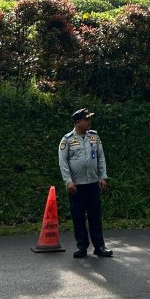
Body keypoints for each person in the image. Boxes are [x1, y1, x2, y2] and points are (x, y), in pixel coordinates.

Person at [58, 108, 112, 258]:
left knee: (95, 215)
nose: (89, 122)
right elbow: (63, 163)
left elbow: (100, 157)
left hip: (93, 183)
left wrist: (103, 176)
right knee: (78, 216)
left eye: (89, 119)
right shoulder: (67, 140)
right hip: (76, 186)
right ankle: (82, 246)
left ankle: (99, 246)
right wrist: (68, 182)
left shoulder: (94, 137)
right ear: (77, 122)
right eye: (86, 119)